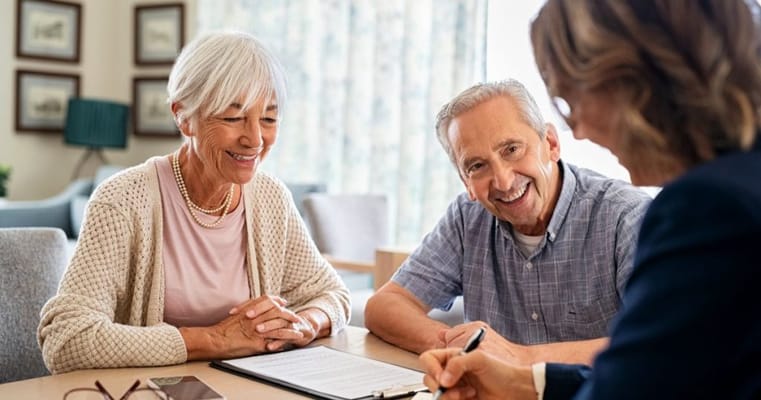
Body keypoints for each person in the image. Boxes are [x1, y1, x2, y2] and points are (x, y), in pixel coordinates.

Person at [420, 0, 761, 399]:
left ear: (634, 80)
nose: (577, 130)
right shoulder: (741, 183)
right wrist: (523, 382)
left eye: (571, 100)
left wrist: (521, 365)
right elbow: (659, 374)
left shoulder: (707, 209)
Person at [37, 31, 350, 374]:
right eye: (233, 118)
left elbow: (332, 295)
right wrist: (215, 340)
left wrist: (304, 324)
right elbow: (66, 341)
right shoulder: (122, 201)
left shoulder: (270, 197)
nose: (255, 139)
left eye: (269, 118)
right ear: (184, 116)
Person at [365, 79, 652, 365]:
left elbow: (661, 343)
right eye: (477, 166)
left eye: (512, 149)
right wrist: (462, 347)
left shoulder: (627, 216)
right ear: (466, 182)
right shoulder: (467, 218)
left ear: (550, 144)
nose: (503, 181)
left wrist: (517, 357)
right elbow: (384, 306)